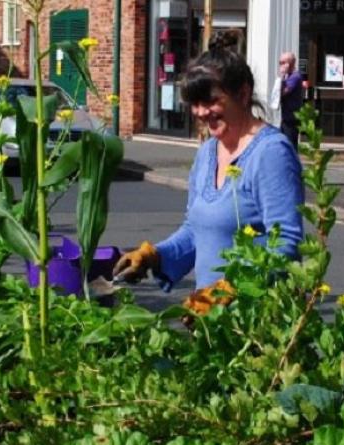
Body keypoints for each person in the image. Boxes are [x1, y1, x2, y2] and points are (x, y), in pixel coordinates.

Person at [112, 32, 304, 303]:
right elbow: (196, 232)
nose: (201, 112)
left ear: (243, 94)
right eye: (195, 104)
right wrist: (154, 256)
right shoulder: (207, 153)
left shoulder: (271, 153)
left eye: (211, 101)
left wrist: (228, 290)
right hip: (211, 321)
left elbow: (285, 244)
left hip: (257, 327)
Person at [277, 52, 304, 150]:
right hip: (286, 117)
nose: (280, 65)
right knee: (283, 145)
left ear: (289, 63)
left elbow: (283, 92)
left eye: (282, 62)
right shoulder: (288, 76)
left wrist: (282, 76)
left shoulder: (295, 77)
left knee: (290, 147)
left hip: (292, 118)